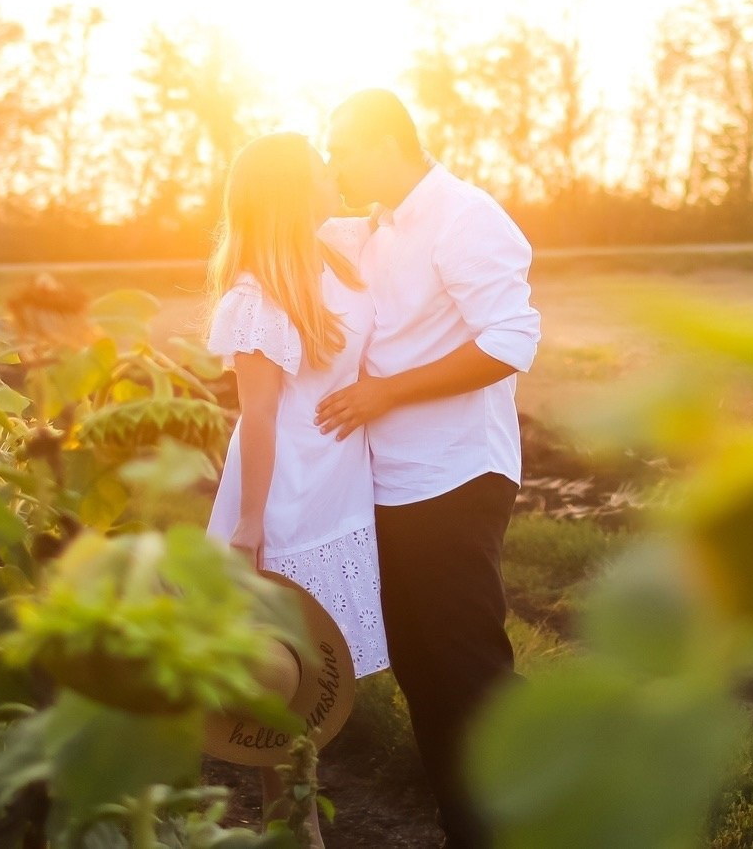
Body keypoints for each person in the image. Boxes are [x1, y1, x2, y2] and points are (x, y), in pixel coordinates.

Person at [315, 90, 539, 849]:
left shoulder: (465, 217)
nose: (333, 164)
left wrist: (387, 392)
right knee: (424, 677)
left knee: (467, 673)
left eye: (341, 148)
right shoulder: (371, 231)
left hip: (454, 477)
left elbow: (509, 341)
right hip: (391, 482)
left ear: (385, 142)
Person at [203, 131, 390, 840]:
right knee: (275, 677)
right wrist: (251, 523)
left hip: (337, 488)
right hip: (283, 496)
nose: (332, 171)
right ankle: (298, 830)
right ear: (291, 188)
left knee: (322, 679)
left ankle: (297, 825)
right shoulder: (256, 294)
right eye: (318, 166)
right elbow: (257, 417)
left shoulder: (338, 250)